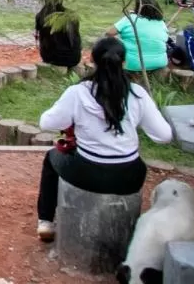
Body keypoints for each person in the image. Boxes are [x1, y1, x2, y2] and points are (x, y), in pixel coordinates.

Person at [33, 38, 173, 242]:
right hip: (130, 177)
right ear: (124, 63)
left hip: (87, 173)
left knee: (52, 158)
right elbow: (164, 136)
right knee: (132, 162)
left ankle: (46, 221)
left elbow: (46, 123)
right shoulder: (137, 94)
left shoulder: (78, 93)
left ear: (92, 61)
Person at [104, 0, 170, 74]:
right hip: (159, 62)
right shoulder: (161, 22)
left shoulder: (131, 18)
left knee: (108, 42)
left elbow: (109, 33)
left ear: (138, 7)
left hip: (133, 64)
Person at [34, 0, 81, 69]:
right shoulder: (72, 15)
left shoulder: (41, 16)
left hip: (52, 59)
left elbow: (37, 36)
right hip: (74, 58)